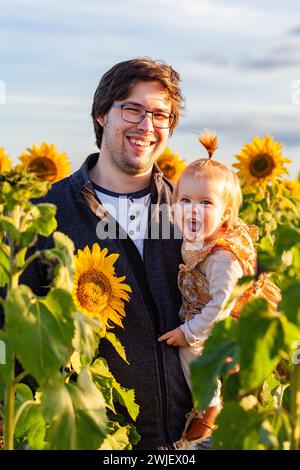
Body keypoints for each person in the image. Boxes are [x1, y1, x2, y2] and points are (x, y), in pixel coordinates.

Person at [20, 58, 194, 450]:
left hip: (188, 440)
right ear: (102, 114)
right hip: (89, 438)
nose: (147, 126)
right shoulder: (48, 213)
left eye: (160, 115)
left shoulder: (190, 212)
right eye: (132, 109)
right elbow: (13, 330)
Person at [158, 131, 281, 448]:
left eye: (205, 203)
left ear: (226, 214)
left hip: (229, 319)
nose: (193, 210)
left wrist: (190, 331)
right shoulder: (196, 234)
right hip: (210, 309)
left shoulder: (222, 258)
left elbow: (222, 305)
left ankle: (210, 408)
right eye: (185, 201)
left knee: (191, 352)